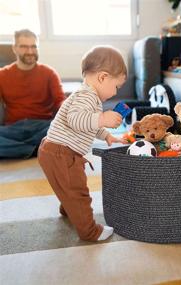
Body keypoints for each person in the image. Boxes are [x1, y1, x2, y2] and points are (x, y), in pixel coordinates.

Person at [38, 46, 127, 242]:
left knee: (66, 186)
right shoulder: (86, 96)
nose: (115, 92)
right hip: (61, 153)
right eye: (116, 87)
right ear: (103, 77)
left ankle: (68, 209)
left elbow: (87, 124)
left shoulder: (88, 95)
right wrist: (103, 118)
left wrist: (106, 135)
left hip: (54, 150)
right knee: (78, 192)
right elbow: (76, 120)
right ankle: (90, 231)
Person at [0, 29, 65, 158]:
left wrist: (70, 111)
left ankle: (18, 149)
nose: (30, 51)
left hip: (43, 126)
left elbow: (60, 100)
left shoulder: (49, 73)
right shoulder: (2, 75)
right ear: (15, 48)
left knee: (65, 130)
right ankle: (36, 149)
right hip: (13, 128)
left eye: (33, 46)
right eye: (24, 47)